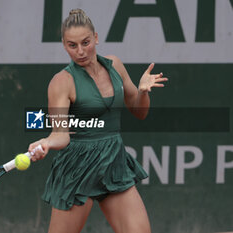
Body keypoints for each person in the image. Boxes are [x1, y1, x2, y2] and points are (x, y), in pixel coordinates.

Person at [28, 8, 167, 233]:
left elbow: (140, 112)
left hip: (113, 161)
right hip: (77, 168)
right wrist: (46, 143)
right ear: (64, 45)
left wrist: (142, 92)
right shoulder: (61, 82)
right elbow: (60, 134)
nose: (81, 51)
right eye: (72, 45)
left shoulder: (115, 66)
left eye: (86, 42)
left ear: (96, 38)